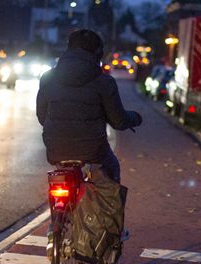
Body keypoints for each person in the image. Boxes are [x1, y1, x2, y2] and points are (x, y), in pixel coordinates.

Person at [36, 29, 142, 184]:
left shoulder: (47, 78)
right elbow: (118, 121)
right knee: (111, 168)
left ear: (69, 48)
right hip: (94, 151)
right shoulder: (105, 82)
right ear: (98, 52)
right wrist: (135, 118)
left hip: (56, 149)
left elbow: (41, 117)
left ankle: (58, 208)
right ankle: (107, 208)